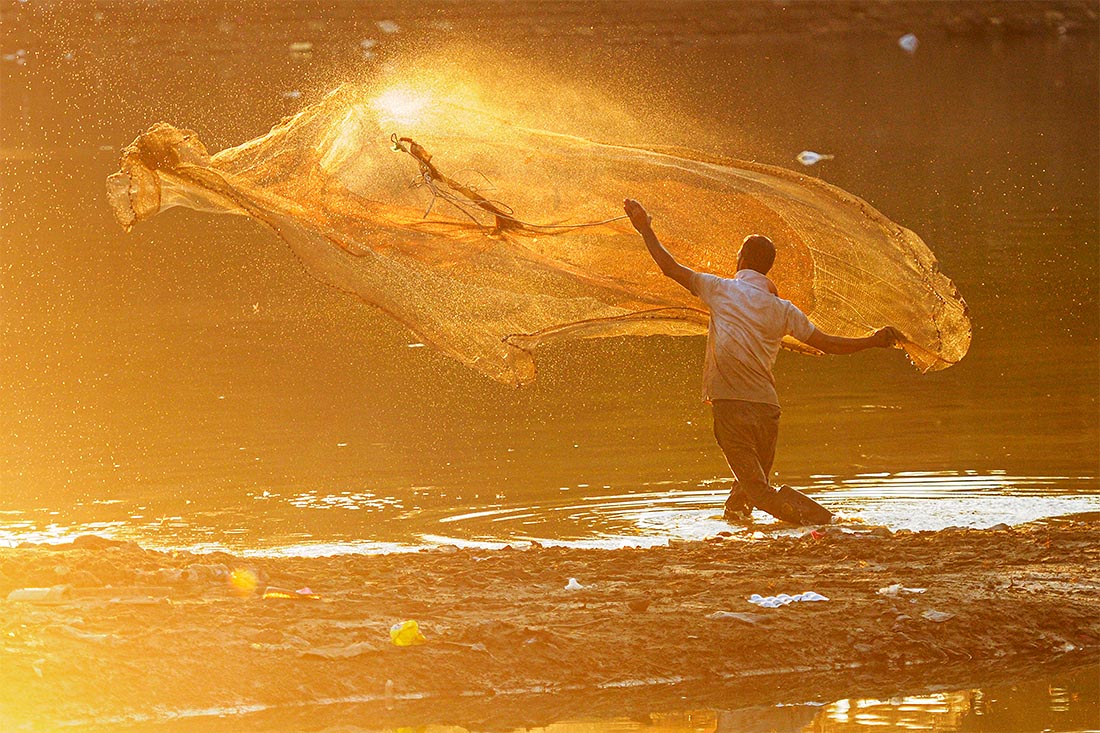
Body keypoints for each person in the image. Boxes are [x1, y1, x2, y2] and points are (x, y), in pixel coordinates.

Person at [622, 198, 902, 523]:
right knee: (748, 490)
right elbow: (828, 344)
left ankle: (829, 523)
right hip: (767, 410)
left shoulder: (720, 289)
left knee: (757, 490)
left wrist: (645, 229)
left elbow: (669, 268)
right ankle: (736, 527)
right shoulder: (784, 310)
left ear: (740, 260)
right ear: (767, 268)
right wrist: (873, 340)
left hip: (731, 405)